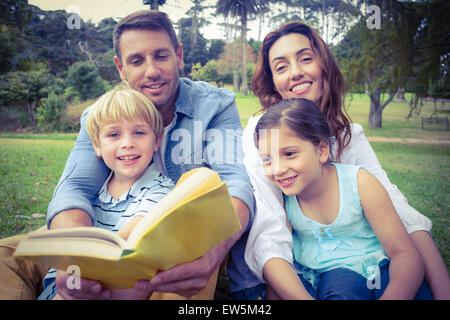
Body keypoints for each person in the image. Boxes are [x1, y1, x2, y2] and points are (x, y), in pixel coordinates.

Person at [0, 10, 257, 300]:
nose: (151, 71)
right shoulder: (100, 116)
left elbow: (236, 186)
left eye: (161, 56)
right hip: (106, 225)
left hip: (178, 244)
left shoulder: (216, 106)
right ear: (121, 68)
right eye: (136, 61)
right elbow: (75, 188)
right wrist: (77, 255)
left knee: (179, 271)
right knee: (6, 256)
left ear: (179, 56)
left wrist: (213, 253)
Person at [243, 21, 449, 299]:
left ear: (324, 66)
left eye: (305, 59)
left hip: (371, 265)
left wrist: (444, 291)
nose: (295, 72)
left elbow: (400, 213)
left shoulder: (348, 135)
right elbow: (269, 231)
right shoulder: (263, 133)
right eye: (281, 67)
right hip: (316, 274)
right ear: (273, 82)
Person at [254, 97, 432, 299]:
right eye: (267, 160)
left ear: (322, 150)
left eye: (290, 153)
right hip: (326, 278)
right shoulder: (283, 200)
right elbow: (276, 256)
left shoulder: (360, 183)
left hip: (378, 272)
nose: (277, 170)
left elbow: (405, 254)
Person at [38, 83, 175, 300]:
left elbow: (132, 238)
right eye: (114, 135)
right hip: (65, 286)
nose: (128, 143)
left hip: (111, 285)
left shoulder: (161, 190)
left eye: (139, 132)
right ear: (97, 145)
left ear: (156, 141)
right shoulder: (92, 193)